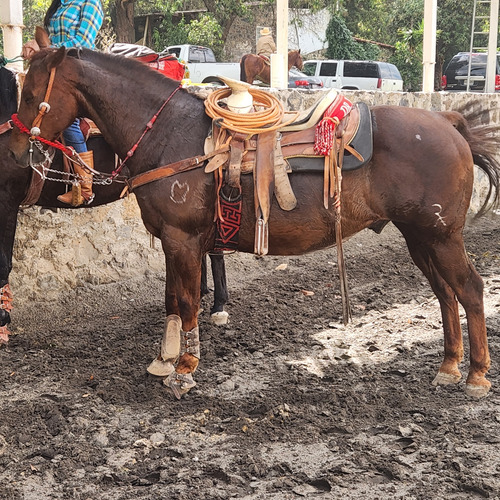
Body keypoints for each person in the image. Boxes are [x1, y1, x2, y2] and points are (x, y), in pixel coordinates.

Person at [22, 0, 104, 206]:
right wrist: (36, 47)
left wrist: (47, 51)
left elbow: (82, 42)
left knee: (67, 119)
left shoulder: (90, 3)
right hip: (55, 71)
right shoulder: (60, 3)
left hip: (78, 69)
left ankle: (85, 188)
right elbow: (49, 40)